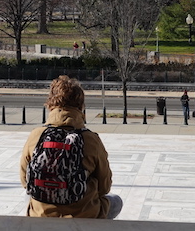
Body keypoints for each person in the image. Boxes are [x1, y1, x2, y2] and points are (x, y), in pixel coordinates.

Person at [20, 76, 122, 219]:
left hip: (42, 214)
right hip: (83, 214)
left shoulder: (36, 135)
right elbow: (104, 187)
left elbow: (25, 181)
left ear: (51, 103)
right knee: (116, 201)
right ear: (81, 106)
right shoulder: (90, 139)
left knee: (28, 197)